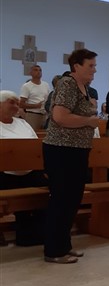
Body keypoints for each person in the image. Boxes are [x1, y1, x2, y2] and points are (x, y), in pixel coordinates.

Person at [43, 48, 99, 263]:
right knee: (62, 198)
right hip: (61, 149)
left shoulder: (84, 87)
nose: (94, 70)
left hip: (77, 150)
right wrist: (88, 121)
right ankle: (54, 250)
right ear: (76, 66)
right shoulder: (67, 83)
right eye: (90, 65)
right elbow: (59, 116)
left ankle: (64, 245)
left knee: (72, 199)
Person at [0, 90, 48, 246]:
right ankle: (24, 234)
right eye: (11, 102)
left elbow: (35, 147)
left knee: (47, 189)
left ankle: (39, 233)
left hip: (29, 171)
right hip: (5, 174)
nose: (16, 106)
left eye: (17, 103)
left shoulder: (23, 123)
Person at [19, 65, 50, 131]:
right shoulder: (27, 86)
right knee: (32, 134)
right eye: (36, 70)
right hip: (33, 115)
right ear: (30, 73)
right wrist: (36, 105)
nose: (38, 72)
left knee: (44, 134)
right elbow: (21, 104)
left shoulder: (46, 85)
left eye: (40, 70)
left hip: (45, 115)